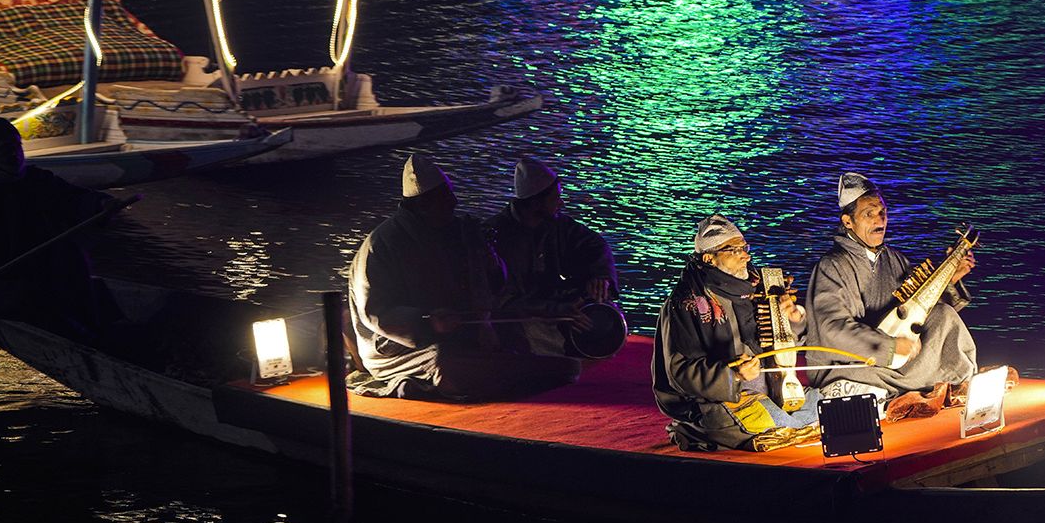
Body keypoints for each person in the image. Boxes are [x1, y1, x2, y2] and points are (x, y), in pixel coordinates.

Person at [346, 154, 581, 401]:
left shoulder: (458, 231)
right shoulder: (381, 245)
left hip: (462, 337)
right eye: (445, 201)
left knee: (564, 366)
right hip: (401, 349)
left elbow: (496, 287)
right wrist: (428, 321)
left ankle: (486, 376)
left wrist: (491, 261)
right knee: (444, 363)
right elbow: (377, 314)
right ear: (423, 204)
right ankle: (480, 378)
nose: (455, 203)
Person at [804, 172, 979, 420]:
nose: (880, 220)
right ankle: (913, 392)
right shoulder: (832, 266)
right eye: (869, 214)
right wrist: (889, 346)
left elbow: (920, 313)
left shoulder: (894, 259)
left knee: (944, 315)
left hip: (894, 358)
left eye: (882, 213)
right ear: (848, 222)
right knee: (864, 380)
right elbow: (831, 327)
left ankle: (958, 383)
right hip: (852, 366)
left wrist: (950, 279)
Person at [0, 116, 119, 344]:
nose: (14, 155)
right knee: (35, 303)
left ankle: (100, 332)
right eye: (6, 149)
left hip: (48, 270)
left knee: (75, 265)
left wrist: (101, 204)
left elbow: (74, 199)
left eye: (17, 147)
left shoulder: (38, 180)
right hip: (5, 280)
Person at [653, 214, 821, 452]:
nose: (746, 256)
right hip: (724, 397)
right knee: (775, 426)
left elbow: (789, 342)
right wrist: (734, 374)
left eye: (745, 247)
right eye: (735, 250)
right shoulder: (686, 303)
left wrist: (793, 319)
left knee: (824, 406)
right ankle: (693, 428)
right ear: (709, 258)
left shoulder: (758, 286)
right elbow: (679, 372)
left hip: (773, 390)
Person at [486, 156, 621, 357]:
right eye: (555, 197)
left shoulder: (557, 225)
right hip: (525, 314)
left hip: (556, 304)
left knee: (602, 307)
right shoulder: (497, 237)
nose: (561, 202)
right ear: (535, 203)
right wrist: (557, 310)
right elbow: (504, 301)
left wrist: (600, 277)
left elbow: (594, 245)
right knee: (530, 333)